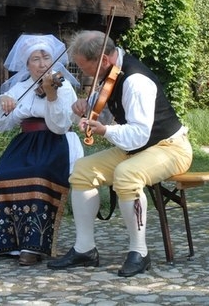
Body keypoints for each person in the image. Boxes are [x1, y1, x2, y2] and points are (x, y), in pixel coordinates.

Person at [47, 30, 193, 277]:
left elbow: (139, 134)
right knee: (82, 170)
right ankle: (85, 249)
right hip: (136, 149)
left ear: (104, 60)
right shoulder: (109, 75)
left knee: (127, 174)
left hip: (170, 147)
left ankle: (140, 252)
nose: (85, 74)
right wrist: (81, 108)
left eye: (86, 67)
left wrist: (104, 130)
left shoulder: (135, 81)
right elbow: (98, 114)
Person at [0, 34, 84, 266]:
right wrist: (2, 102)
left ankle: (34, 245)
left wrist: (51, 95)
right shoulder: (19, 88)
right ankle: (8, 242)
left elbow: (59, 126)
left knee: (38, 176)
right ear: (26, 64)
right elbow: (0, 124)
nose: (41, 64)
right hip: (25, 143)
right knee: (3, 174)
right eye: (35, 59)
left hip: (54, 143)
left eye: (46, 57)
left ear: (54, 60)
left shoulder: (62, 85)